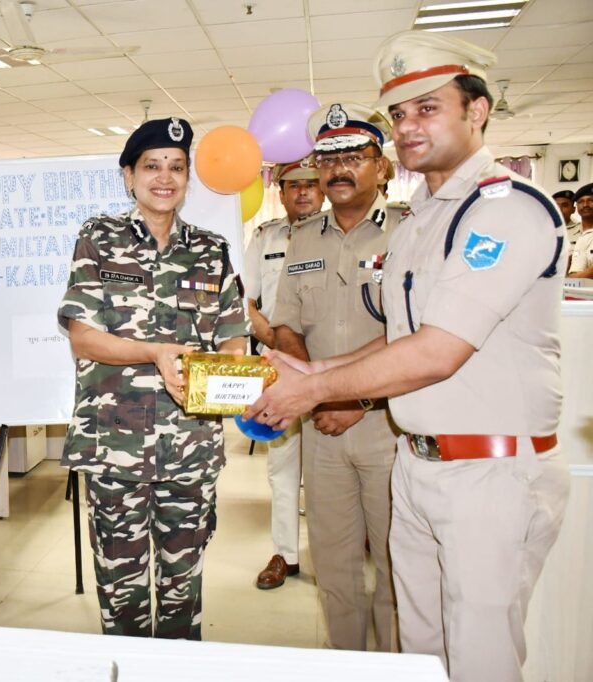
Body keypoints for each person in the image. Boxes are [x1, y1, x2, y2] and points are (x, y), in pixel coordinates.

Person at [248, 31, 569, 681]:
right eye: (399, 113)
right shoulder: (425, 217)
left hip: (489, 472)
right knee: (422, 653)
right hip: (420, 465)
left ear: (476, 111)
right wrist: (316, 370)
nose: (408, 126)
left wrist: (313, 391)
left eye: (428, 107)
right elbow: (403, 333)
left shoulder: (505, 209)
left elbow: (437, 351)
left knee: (479, 657)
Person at [58, 117, 249, 639]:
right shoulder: (99, 238)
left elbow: (234, 336)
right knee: (122, 590)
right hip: (115, 448)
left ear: (187, 178)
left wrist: (235, 372)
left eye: (176, 167)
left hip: (191, 446)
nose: (165, 178)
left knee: (183, 585)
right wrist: (156, 353)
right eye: (152, 166)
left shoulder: (211, 249)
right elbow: (83, 337)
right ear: (129, 176)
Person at [268, 103, 400, 652]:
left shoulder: (410, 231)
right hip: (321, 429)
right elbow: (286, 324)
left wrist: (354, 400)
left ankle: (395, 667)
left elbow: (414, 334)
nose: (338, 168)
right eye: (327, 158)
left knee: (397, 566)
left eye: (354, 156)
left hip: (388, 426)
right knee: (334, 564)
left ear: (381, 166)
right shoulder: (303, 238)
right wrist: (315, 394)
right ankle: (348, 664)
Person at [242, 157, 322, 590]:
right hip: (277, 368)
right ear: (282, 191)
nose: (303, 191)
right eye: (294, 185)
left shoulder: (337, 235)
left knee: (331, 469)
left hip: (328, 370)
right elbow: (247, 301)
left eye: (312, 183)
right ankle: (284, 554)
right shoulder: (265, 237)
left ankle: (333, 551)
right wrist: (276, 343)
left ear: (323, 189)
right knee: (283, 467)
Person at [567, 183, 593, 277]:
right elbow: (574, 276)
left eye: (591, 200)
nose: (585, 205)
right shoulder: (583, 238)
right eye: (581, 202)